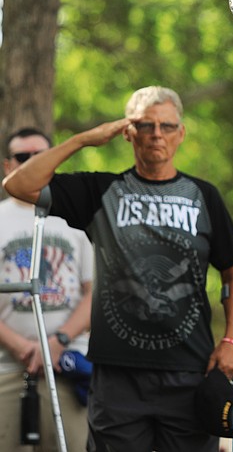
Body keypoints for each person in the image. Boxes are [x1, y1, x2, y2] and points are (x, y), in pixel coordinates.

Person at [2, 87, 233, 452]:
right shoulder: (101, 190)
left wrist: (231, 341)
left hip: (189, 371)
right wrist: (86, 139)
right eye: (145, 125)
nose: (156, 134)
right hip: (116, 377)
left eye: (167, 126)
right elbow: (19, 184)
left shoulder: (203, 196)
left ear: (180, 133)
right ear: (127, 132)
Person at [0, 128, 94, 451]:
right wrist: (22, 347)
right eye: (23, 157)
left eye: (40, 155)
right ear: (7, 166)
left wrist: (58, 342)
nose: (32, 163)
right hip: (7, 367)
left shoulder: (75, 217)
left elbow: (94, 292)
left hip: (67, 364)